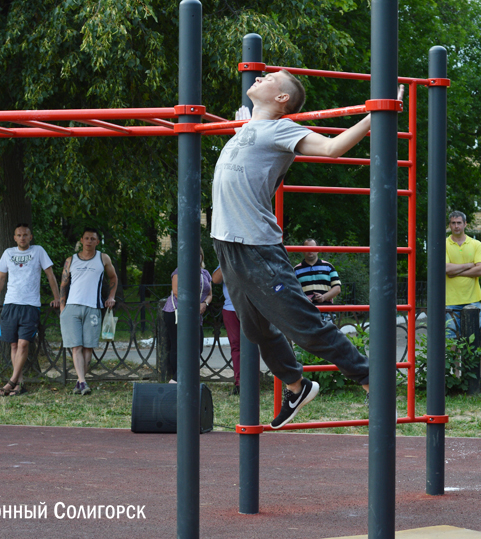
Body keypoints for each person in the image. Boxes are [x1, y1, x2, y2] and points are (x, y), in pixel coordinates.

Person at [211, 71, 401, 428]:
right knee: (256, 331)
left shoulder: (280, 130)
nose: (260, 76)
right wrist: (243, 125)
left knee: (305, 326)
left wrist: (375, 114)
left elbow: (331, 148)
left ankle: (372, 382)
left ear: (282, 98)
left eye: (270, 77)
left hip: (257, 248)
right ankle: (297, 387)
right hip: (227, 246)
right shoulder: (248, 126)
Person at [0, 223, 60, 396]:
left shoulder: (38, 251)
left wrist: (57, 298)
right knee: (13, 344)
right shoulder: (8, 253)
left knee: (24, 343)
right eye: (19, 235)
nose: (22, 238)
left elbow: (50, 275)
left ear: (30, 237)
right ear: (14, 238)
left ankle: (11, 382)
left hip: (31, 305)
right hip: (11, 303)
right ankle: (18, 385)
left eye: (25, 235)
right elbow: (1, 278)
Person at [59, 228, 118, 396]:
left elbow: (113, 277)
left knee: (88, 347)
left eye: (92, 239)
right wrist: (63, 308)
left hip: (93, 307)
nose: (89, 241)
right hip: (72, 307)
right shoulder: (71, 260)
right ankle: (82, 382)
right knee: (76, 346)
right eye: (86, 238)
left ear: (97, 242)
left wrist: (111, 296)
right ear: (81, 240)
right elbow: (63, 284)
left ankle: (80, 382)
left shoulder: (103, 258)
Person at [161, 247, 212, 383]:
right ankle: (177, 379)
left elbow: (210, 294)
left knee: (197, 347)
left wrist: (205, 303)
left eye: (198, 254)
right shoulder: (180, 271)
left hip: (196, 314)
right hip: (177, 312)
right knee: (178, 347)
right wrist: (195, 305)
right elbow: (176, 292)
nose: (196, 256)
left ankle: (181, 379)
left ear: (201, 256)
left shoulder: (205, 273)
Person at [445, 211, 481, 339]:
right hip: (450, 300)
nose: (456, 226)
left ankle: (477, 356)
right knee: (452, 340)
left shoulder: (476, 244)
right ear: (449, 225)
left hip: (473, 299)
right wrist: (468, 265)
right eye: (453, 223)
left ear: (465, 224)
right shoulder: (443, 244)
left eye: (459, 223)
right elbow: (446, 269)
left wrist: (455, 272)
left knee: (477, 338)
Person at [293, 238, 342, 322]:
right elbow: (292, 290)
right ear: (302, 250)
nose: (310, 251)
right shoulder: (296, 270)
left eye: (312, 248)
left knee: (327, 331)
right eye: (307, 248)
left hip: (326, 310)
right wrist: (303, 298)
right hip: (305, 311)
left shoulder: (329, 266)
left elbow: (337, 288)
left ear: (318, 249)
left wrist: (324, 297)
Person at [212, 265, 241, 395]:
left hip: (251, 308)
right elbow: (215, 279)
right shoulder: (227, 257)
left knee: (252, 345)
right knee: (236, 346)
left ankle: (252, 381)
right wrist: (227, 259)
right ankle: (239, 383)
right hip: (231, 309)